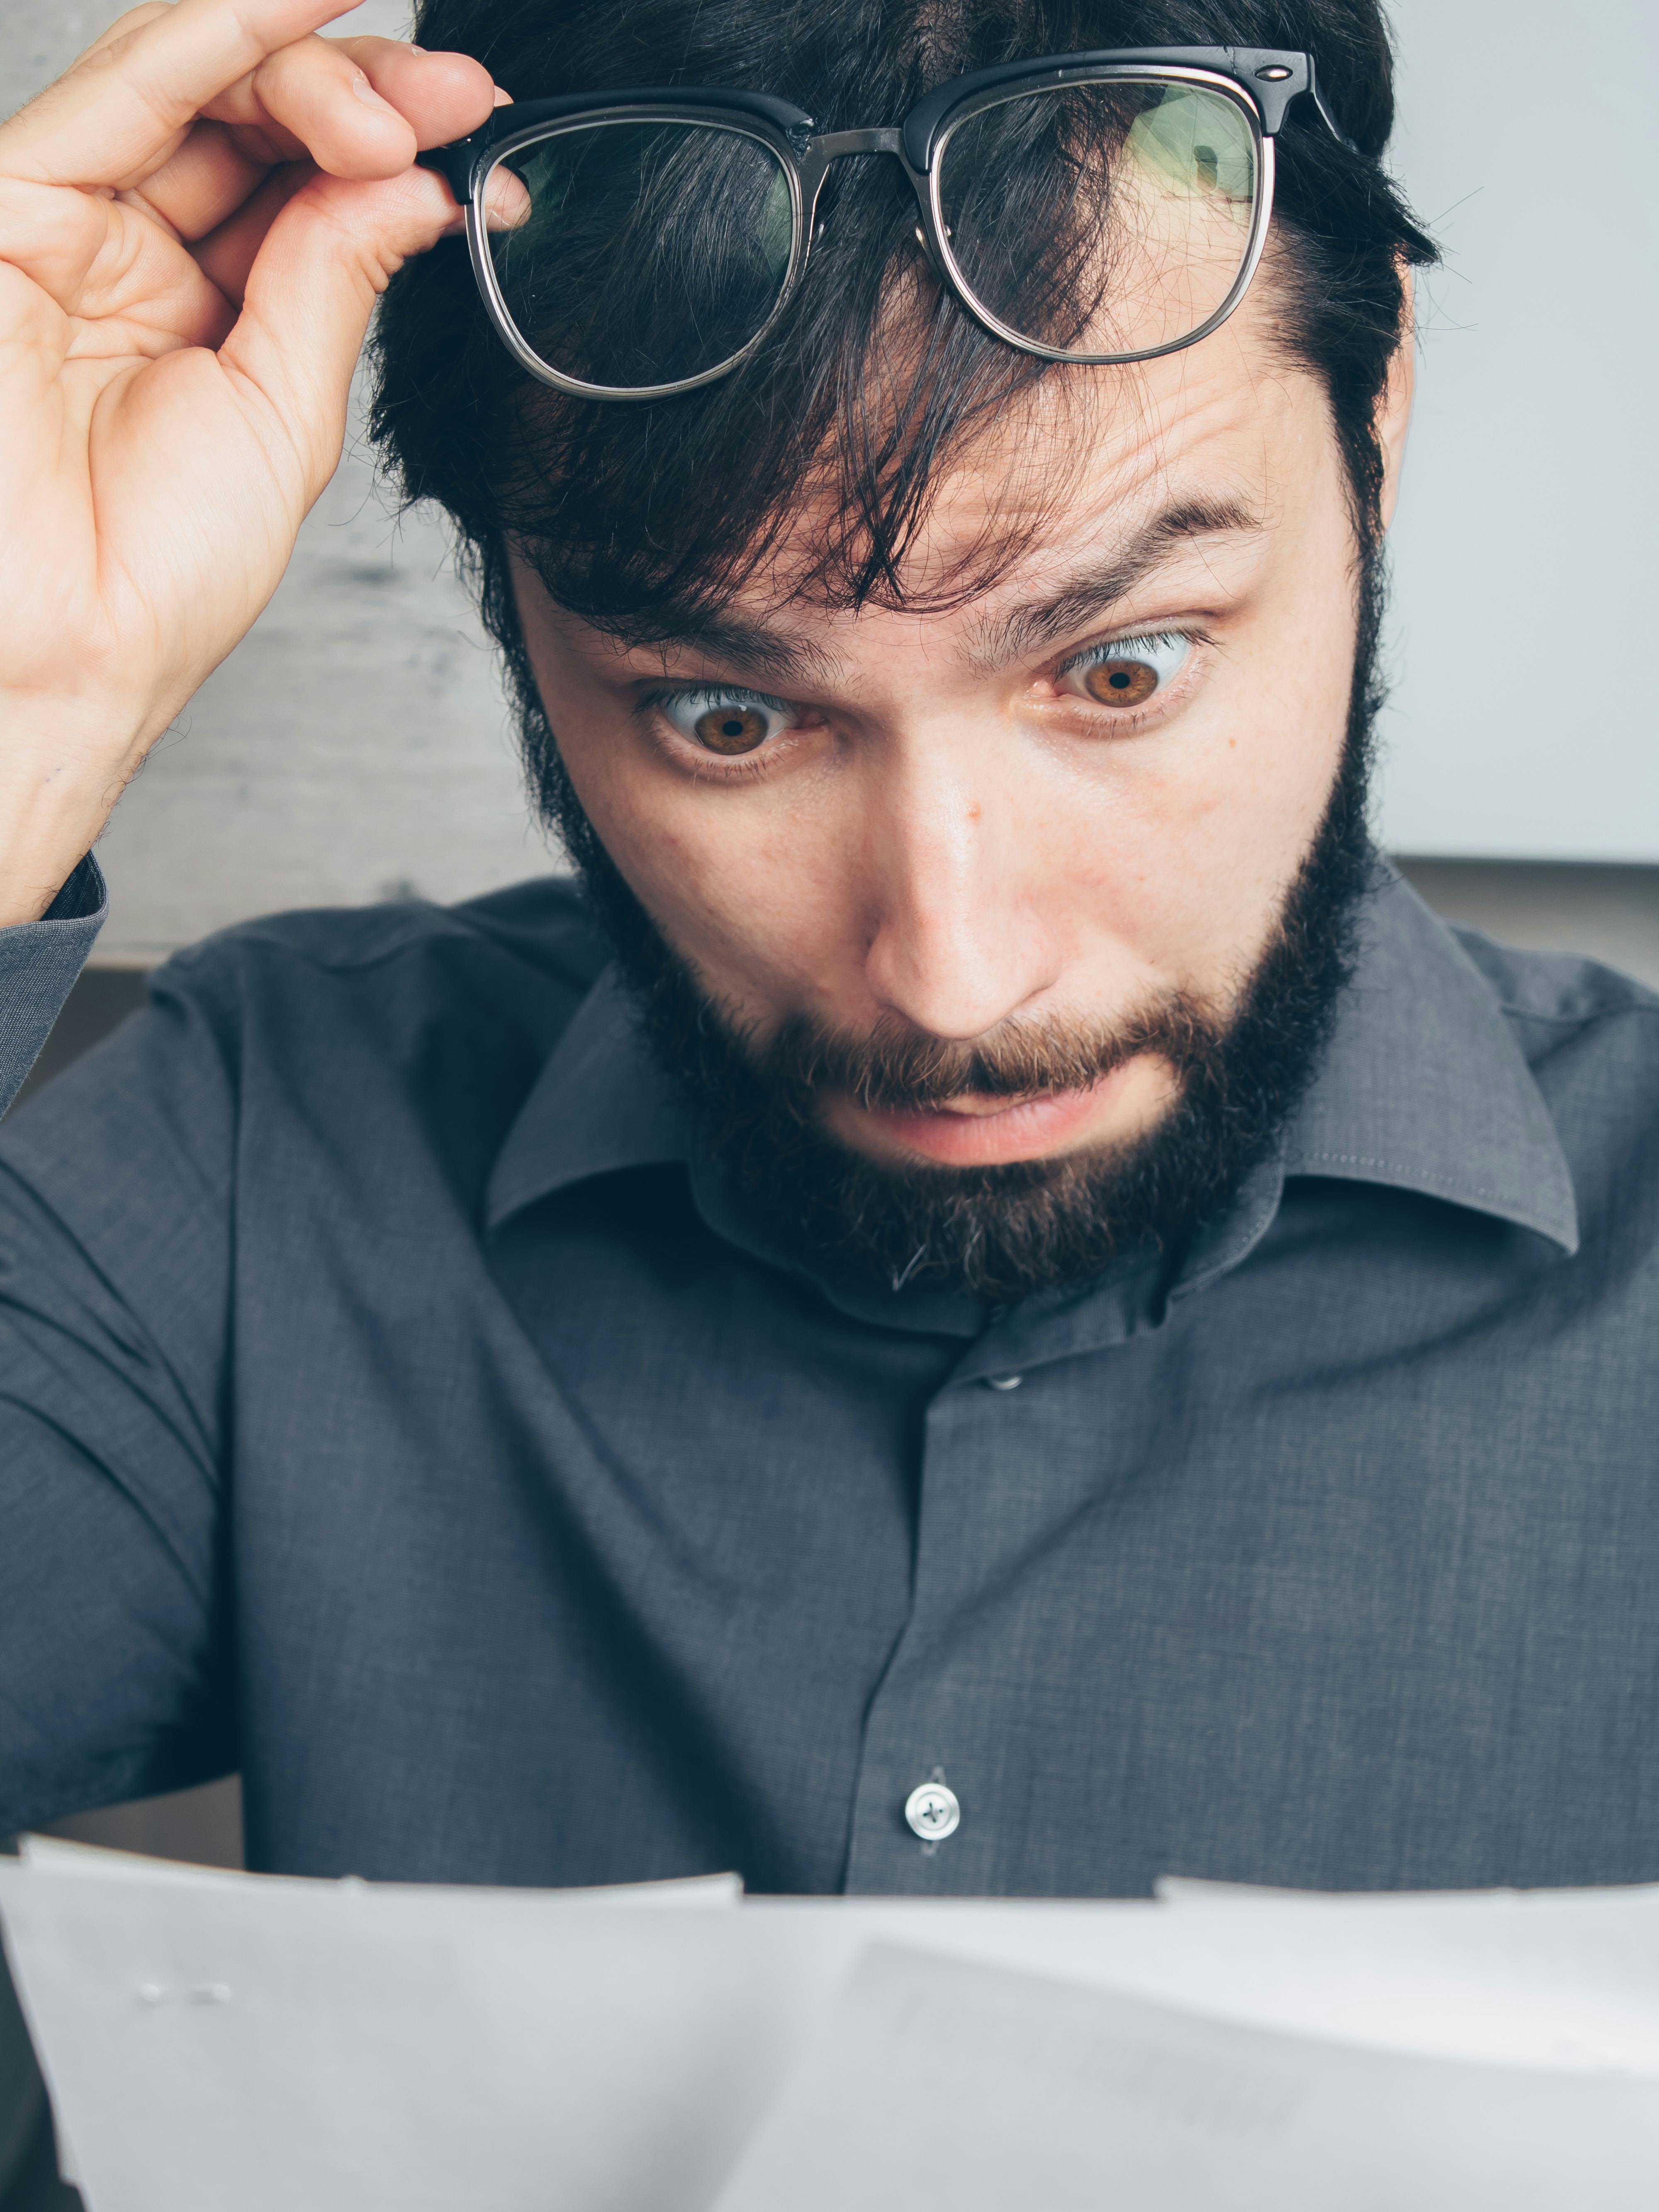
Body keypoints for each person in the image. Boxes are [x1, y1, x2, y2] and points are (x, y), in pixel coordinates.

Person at [0, 0, 1655, 1902]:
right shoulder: (248, 1164)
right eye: (728, 719)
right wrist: (20, 715)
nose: (955, 980)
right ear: (509, 609)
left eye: (1120, 670)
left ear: (1371, 420)